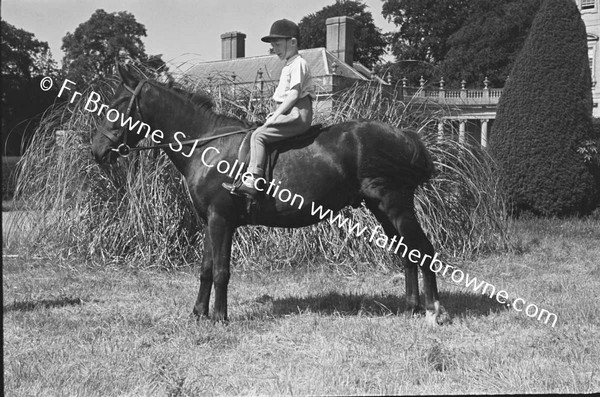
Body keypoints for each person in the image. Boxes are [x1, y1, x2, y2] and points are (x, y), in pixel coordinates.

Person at [223, 18, 316, 197]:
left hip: (297, 114)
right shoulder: (290, 65)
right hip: (290, 112)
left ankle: (253, 179)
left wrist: (277, 115)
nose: (275, 49)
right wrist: (276, 112)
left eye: (278, 44)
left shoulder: (298, 64)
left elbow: (294, 94)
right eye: (273, 46)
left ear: (293, 42)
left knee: (258, 136)